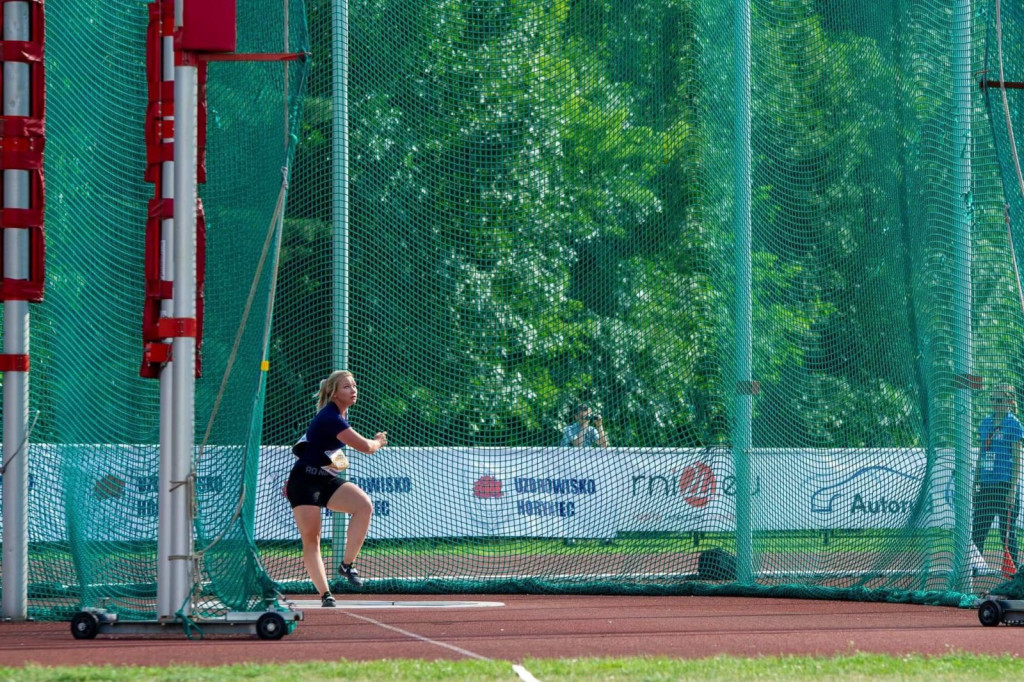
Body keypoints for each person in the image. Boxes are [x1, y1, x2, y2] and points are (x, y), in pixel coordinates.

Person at [286, 370, 387, 607]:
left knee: (364, 506)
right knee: (312, 539)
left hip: (326, 479)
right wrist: (379, 441)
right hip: (304, 481)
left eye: (354, 385)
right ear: (333, 394)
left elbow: (320, 449)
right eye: (346, 387)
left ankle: (347, 565)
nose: (353, 390)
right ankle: (325, 594)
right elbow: (365, 447)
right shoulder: (331, 417)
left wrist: (337, 460)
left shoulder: (339, 415)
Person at [972, 384, 1023, 575]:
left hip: (1004, 484)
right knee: (978, 528)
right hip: (986, 484)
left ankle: (1015, 572)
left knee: (1007, 533)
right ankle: (974, 568)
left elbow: (1018, 460)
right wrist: (975, 482)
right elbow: (981, 456)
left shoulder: (1013, 424)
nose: (995, 403)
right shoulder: (986, 423)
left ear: (1009, 402)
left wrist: (1012, 490)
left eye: (999, 400)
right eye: (992, 399)